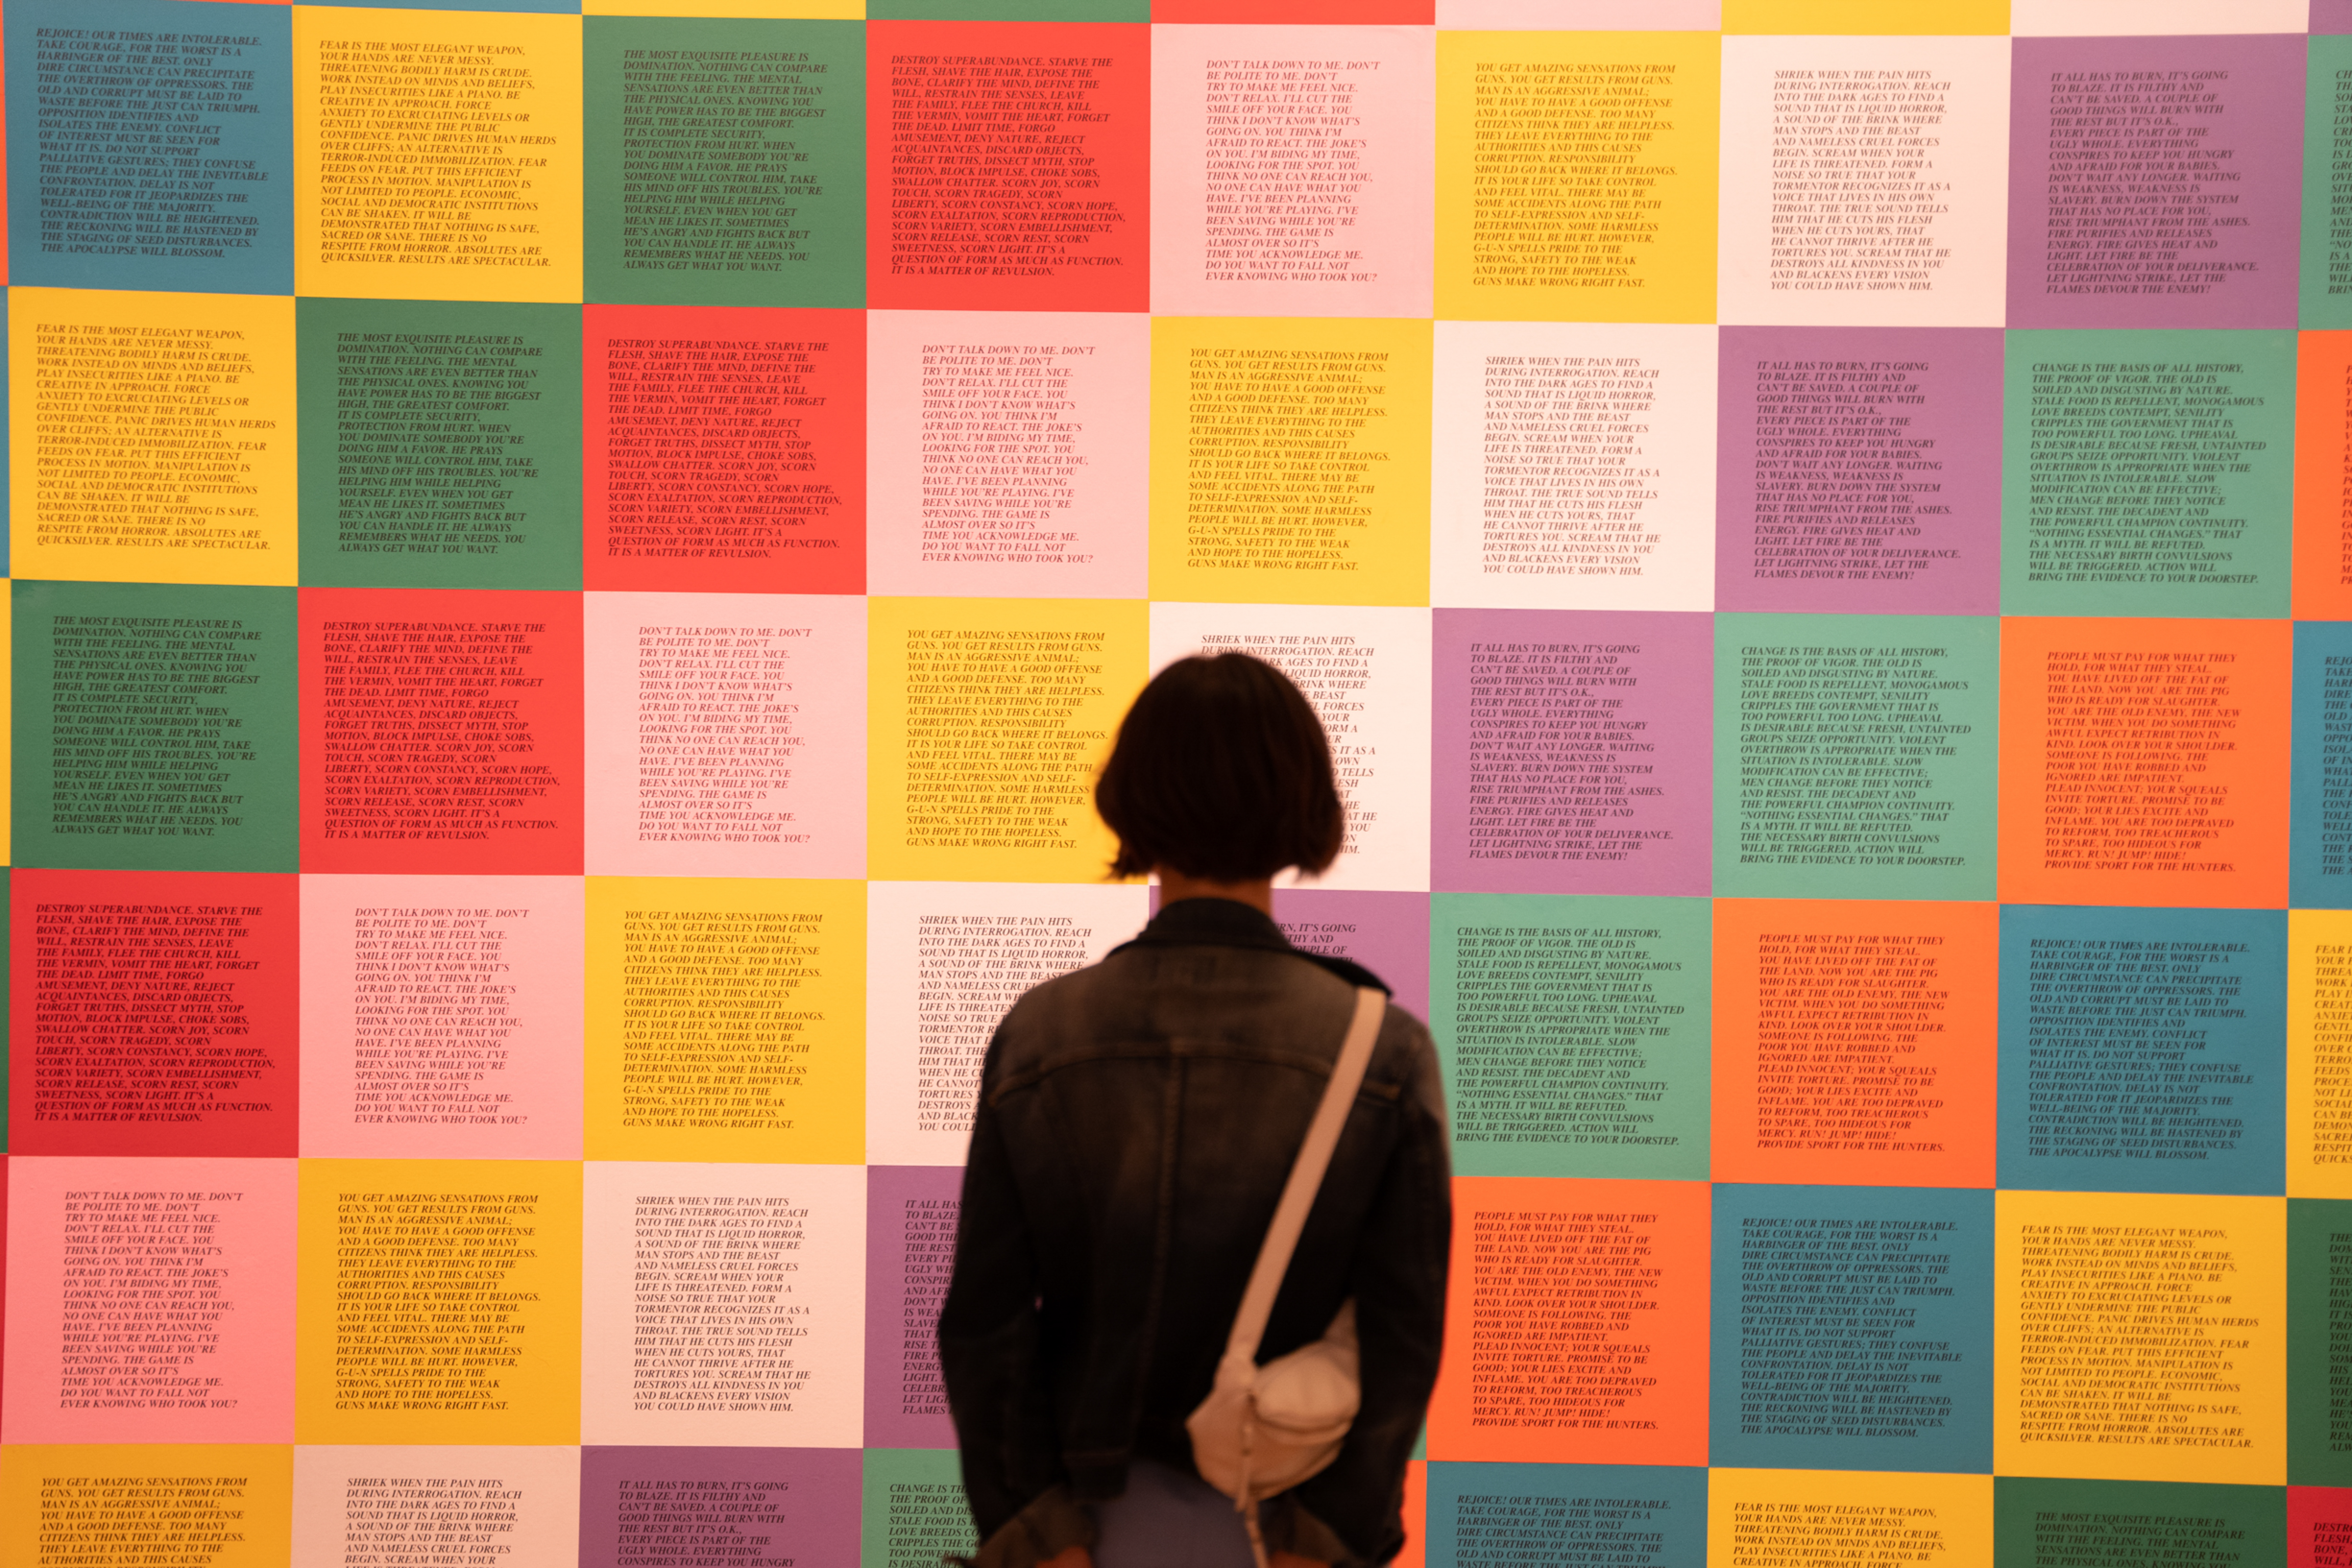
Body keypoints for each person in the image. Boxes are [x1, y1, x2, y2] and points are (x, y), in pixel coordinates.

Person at [939, 651, 1453, 1568]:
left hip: (1088, 1531)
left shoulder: (1043, 1036)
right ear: (1304, 806)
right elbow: (1401, 1336)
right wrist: (1331, 1534)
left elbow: (986, 1323)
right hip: (1281, 1524)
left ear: (1131, 797)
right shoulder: (1382, 1049)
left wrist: (1038, 1532)